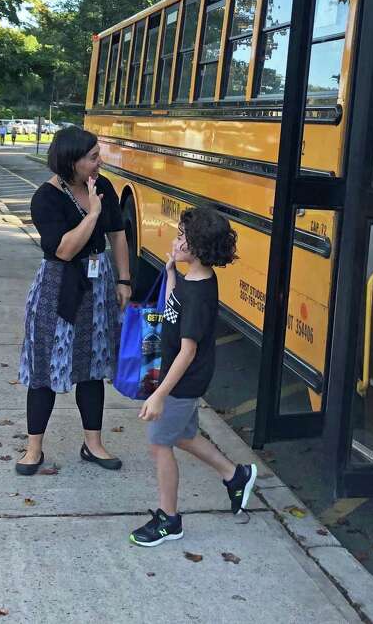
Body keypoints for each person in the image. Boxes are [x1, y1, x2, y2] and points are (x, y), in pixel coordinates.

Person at [130, 206, 254, 547]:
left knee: (159, 445)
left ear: (198, 248)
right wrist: (170, 274)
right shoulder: (190, 280)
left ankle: (169, 519)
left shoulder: (200, 294)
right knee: (183, 436)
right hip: (180, 378)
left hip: (182, 380)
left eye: (182, 238)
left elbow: (188, 351)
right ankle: (235, 474)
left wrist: (159, 395)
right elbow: (172, 309)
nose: (176, 240)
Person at [16, 127, 131, 476]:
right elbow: (63, 249)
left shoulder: (103, 186)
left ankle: (92, 443)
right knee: (45, 368)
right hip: (59, 286)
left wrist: (124, 279)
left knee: (92, 366)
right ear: (71, 161)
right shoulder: (46, 198)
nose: (100, 162)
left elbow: (118, 234)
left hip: (98, 284)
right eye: (93, 157)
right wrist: (92, 213)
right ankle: (33, 448)